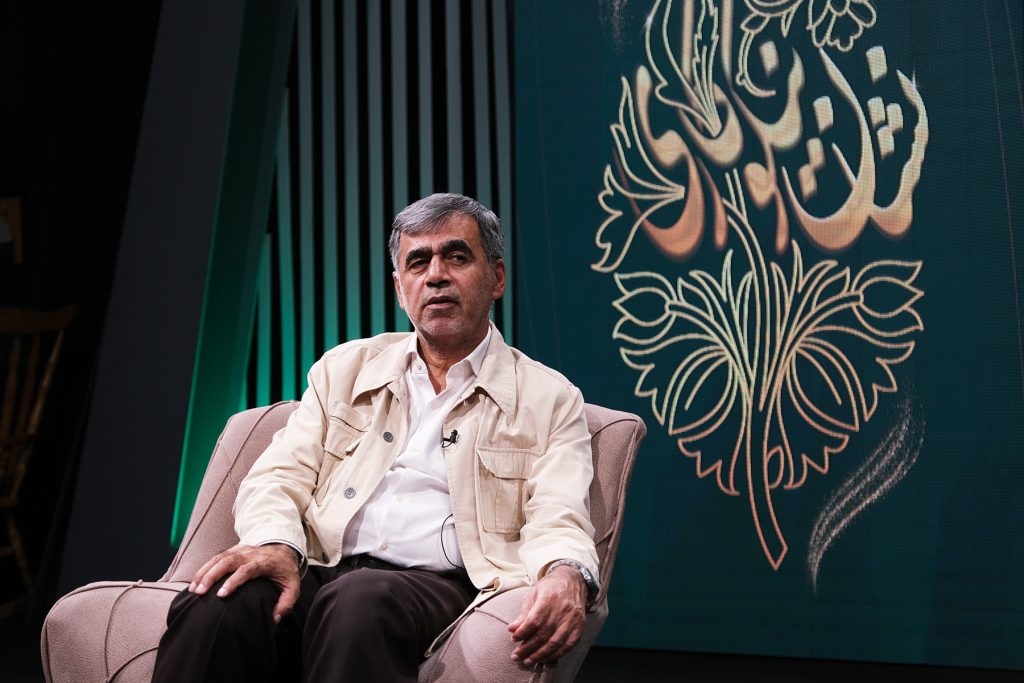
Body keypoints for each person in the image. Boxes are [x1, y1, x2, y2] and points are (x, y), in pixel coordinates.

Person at [151, 193, 599, 681]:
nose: (436, 275)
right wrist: (276, 544)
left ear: (496, 278)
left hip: (436, 585)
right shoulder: (344, 368)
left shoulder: (549, 398)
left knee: (361, 599)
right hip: (321, 565)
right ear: (400, 288)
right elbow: (279, 476)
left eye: (456, 257)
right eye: (418, 262)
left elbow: (559, 511)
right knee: (220, 600)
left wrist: (566, 571)